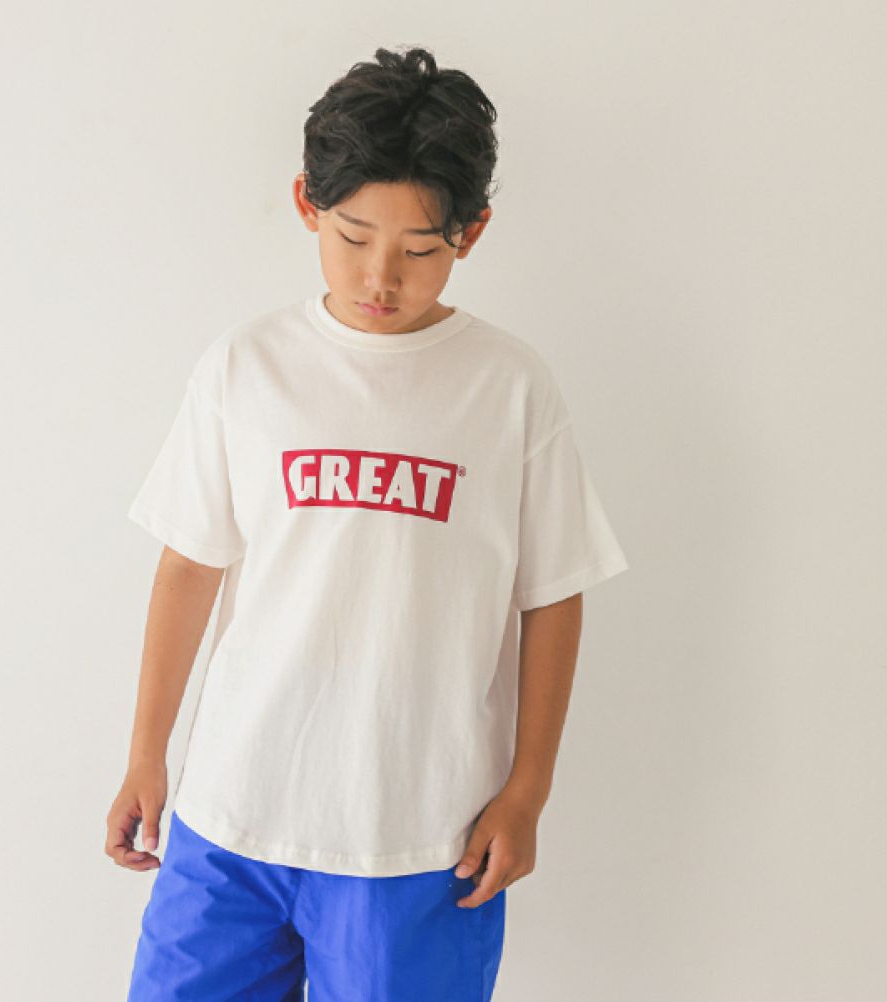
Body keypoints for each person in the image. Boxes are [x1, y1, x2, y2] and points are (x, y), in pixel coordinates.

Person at [106, 44, 629, 1001]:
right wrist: (147, 751)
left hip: (418, 837)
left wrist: (528, 789)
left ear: (470, 233)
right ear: (306, 204)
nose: (381, 276)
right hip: (232, 818)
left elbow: (553, 595)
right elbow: (189, 565)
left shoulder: (508, 388)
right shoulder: (246, 367)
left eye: (420, 250)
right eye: (353, 237)